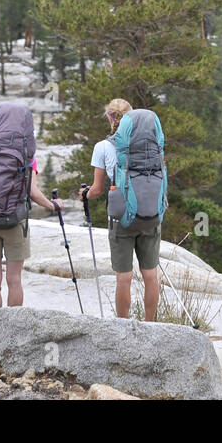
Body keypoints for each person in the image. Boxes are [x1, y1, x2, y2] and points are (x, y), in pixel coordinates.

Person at [82, 98, 163, 321]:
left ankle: (122, 325)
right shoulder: (151, 147)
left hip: (122, 219)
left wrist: (85, 194)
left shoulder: (103, 147)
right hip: (150, 215)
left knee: (124, 277)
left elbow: (97, 189)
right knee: (150, 275)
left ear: (109, 117)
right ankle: (151, 325)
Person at [0, 144, 60, 309]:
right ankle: (15, 327)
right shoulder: (27, 154)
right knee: (14, 279)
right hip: (15, 222)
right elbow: (33, 192)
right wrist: (53, 205)